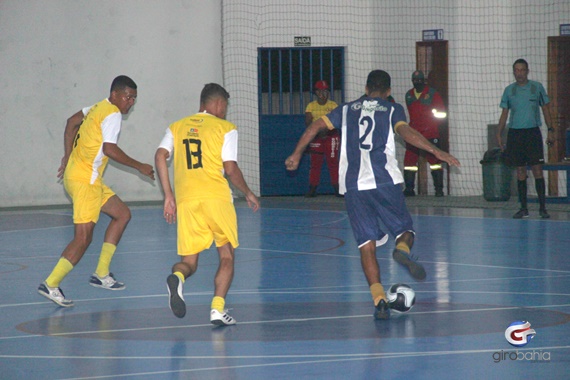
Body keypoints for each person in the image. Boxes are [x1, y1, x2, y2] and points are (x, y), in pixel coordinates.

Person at [285, 70, 460, 320]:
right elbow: (406, 133)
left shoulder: (346, 109)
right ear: (388, 91)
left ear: (366, 89)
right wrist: (436, 151)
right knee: (406, 230)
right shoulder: (392, 109)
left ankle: (379, 301)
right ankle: (401, 248)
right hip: (384, 181)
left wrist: (297, 154)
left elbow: (315, 125)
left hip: (355, 187)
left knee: (366, 246)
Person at [38, 75, 156, 307]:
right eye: (128, 97)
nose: (131, 102)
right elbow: (109, 149)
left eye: (134, 98)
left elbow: (72, 121)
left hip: (82, 177)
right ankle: (50, 284)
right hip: (86, 182)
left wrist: (68, 155)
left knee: (122, 214)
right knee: (83, 238)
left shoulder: (96, 107)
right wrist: (139, 166)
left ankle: (101, 273)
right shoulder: (111, 113)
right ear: (114, 95)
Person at [155, 83, 260, 326]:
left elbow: (160, 155)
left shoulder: (177, 126)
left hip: (187, 200)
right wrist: (248, 193)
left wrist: (168, 195)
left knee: (189, 261)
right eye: (225, 105)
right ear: (219, 104)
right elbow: (230, 169)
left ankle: (178, 277)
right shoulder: (226, 128)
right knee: (226, 256)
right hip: (216, 199)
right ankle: (217, 309)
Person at [496, 58, 555, 219]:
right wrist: (499, 133)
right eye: (516, 70)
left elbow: (546, 109)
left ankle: (543, 208)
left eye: (522, 70)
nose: (519, 73)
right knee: (520, 171)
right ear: (513, 72)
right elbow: (504, 114)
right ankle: (523, 208)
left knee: (537, 169)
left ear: (527, 71)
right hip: (515, 134)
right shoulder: (509, 91)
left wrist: (550, 130)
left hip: (532, 133)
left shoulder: (537, 88)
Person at [403, 70, 447, 197]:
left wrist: (432, 121)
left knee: (435, 161)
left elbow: (442, 113)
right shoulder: (409, 95)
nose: (417, 82)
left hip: (431, 132)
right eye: (415, 80)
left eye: (419, 80)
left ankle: (439, 190)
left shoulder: (433, 94)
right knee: (409, 161)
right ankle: (409, 189)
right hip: (414, 133)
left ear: (424, 81)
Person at [304, 80, 340, 197]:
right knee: (315, 163)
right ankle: (312, 189)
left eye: (325, 91)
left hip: (331, 136)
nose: (323, 94)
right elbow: (308, 122)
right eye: (320, 91)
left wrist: (327, 131)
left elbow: (337, 121)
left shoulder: (333, 105)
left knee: (333, 163)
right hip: (316, 137)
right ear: (316, 92)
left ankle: (338, 189)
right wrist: (318, 132)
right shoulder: (311, 106)